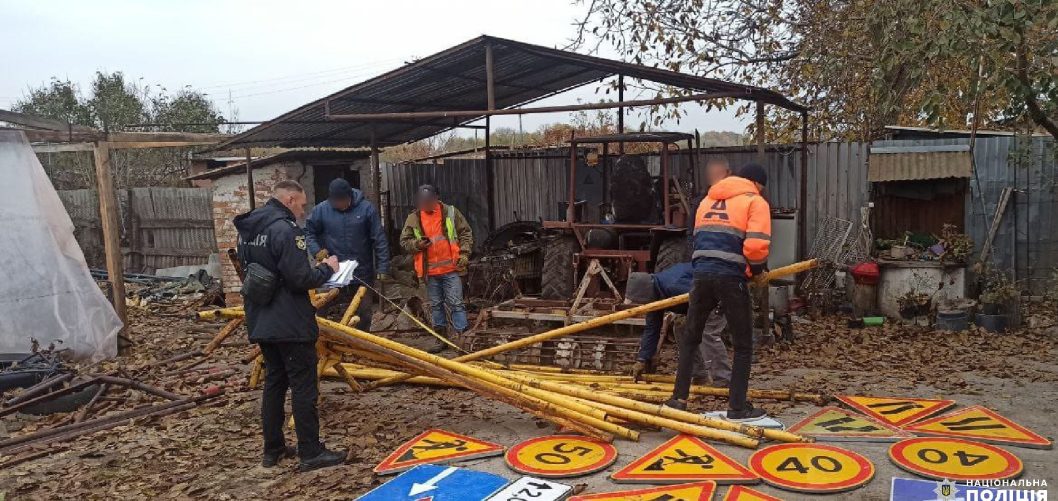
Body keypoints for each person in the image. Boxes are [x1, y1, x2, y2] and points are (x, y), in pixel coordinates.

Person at [234, 180, 347, 472]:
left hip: (262, 319)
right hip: (290, 322)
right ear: (290, 199)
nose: (303, 210)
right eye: (302, 204)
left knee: (274, 384)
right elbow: (300, 279)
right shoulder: (285, 230)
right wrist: (328, 268)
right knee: (303, 387)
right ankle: (310, 452)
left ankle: (272, 449)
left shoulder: (249, 231)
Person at [666, 163, 771, 420]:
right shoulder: (755, 202)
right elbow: (756, 246)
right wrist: (758, 273)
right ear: (757, 183)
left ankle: (678, 399)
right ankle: (737, 407)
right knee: (743, 344)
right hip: (731, 277)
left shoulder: (707, 200)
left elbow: (695, 238)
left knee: (692, 337)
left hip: (701, 274)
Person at [626, 263, 732, 387]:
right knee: (681, 328)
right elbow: (652, 329)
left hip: (717, 298)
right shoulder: (655, 293)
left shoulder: (674, 285)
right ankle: (699, 375)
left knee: (707, 333)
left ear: (645, 293)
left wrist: (693, 319)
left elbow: (705, 296)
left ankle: (723, 379)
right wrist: (642, 359)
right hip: (698, 303)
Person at [305, 178, 389, 331]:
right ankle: (322, 342)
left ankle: (360, 345)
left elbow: (379, 240)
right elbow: (309, 233)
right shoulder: (321, 210)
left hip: (361, 272)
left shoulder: (366, 209)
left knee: (363, 313)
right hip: (331, 271)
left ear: (349, 196)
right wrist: (316, 250)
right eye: (335, 202)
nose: (339, 205)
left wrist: (383, 268)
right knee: (320, 307)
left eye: (342, 201)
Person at [399, 185, 473, 353]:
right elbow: (404, 242)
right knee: (436, 306)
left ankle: (463, 341)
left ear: (436, 198)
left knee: (456, 304)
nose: (426, 205)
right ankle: (441, 340)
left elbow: (465, 233)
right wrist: (417, 244)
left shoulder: (451, 213)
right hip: (430, 273)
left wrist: (464, 253)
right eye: (422, 202)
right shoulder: (414, 218)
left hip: (452, 269)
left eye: (428, 201)